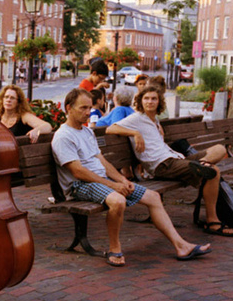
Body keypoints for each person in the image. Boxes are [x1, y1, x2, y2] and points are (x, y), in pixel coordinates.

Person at [51, 88, 211, 266]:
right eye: (83, 108)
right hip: (79, 185)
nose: (88, 112)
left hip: (99, 180)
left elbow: (102, 162)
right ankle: (114, 248)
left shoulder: (87, 131)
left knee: (153, 197)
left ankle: (181, 246)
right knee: (118, 201)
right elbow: (78, 172)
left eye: (89, 108)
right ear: (68, 108)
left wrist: (122, 180)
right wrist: (113, 186)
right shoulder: (63, 136)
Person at [105, 85, 233, 237]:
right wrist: (135, 133)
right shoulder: (136, 118)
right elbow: (110, 129)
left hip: (175, 159)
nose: (150, 102)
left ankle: (201, 165)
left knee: (219, 149)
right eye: (146, 98)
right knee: (213, 171)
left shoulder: (155, 120)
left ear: (159, 102)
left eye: (153, 99)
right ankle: (212, 221)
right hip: (162, 165)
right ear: (140, 101)